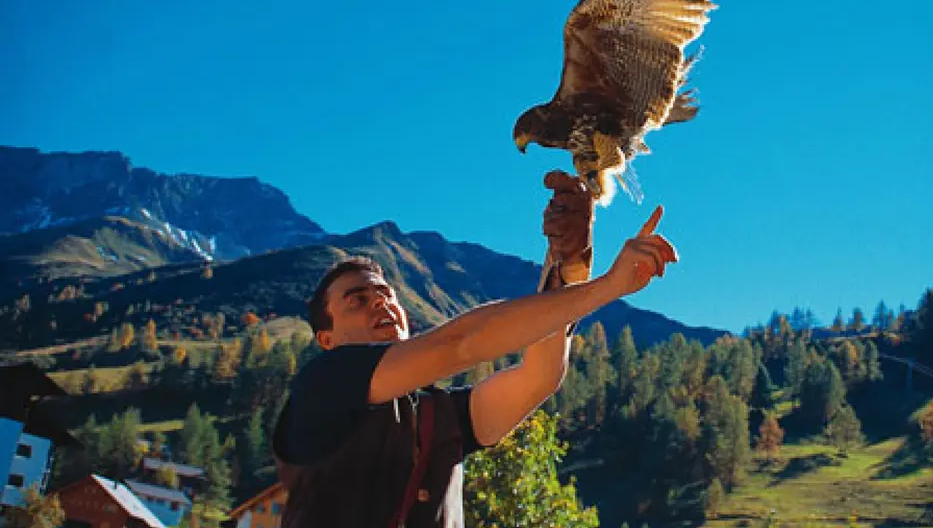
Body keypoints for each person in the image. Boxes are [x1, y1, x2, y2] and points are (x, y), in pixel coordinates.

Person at [270, 170, 678, 527]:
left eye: (386, 294)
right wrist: (607, 287)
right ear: (326, 339)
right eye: (357, 299)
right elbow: (460, 344)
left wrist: (566, 264)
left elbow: (539, 376)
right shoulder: (321, 386)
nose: (380, 302)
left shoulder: (439, 415)